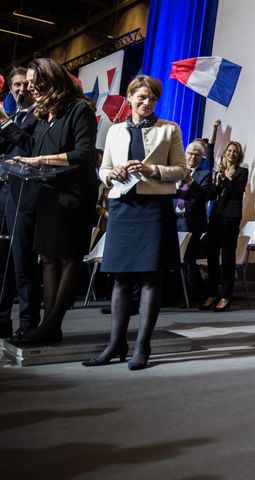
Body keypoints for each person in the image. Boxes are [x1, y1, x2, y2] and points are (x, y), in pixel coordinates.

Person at [85, 75, 187, 369]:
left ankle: (143, 345)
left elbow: (181, 170)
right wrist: (110, 175)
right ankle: (116, 343)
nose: (146, 103)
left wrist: (152, 169)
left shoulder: (169, 129)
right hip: (122, 206)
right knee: (119, 278)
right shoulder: (115, 130)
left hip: (154, 207)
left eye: (152, 99)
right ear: (129, 98)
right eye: (141, 97)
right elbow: (102, 169)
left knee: (151, 278)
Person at [4, 58, 99, 345]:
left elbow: (84, 153)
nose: (30, 89)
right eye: (29, 84)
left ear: (52, 79)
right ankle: (49, 326)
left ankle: (52, 322)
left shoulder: (79, 109)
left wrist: (40, 159)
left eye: (35, 82)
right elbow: (32, 148)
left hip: (74, 193)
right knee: (47, 257)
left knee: (69, 257)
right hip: (47, 190)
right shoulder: (45, 115)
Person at [0, 67, 42, 339]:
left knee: (22, 260)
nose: (21, 90)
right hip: (3, 190)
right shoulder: (14, 115)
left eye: (26, 85)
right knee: (1, 259)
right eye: (16, 85)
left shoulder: (40, 116)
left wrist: (5, 124)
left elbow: (30, 147)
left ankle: (28, 323)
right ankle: (2, 320)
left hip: (25, 193)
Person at [199, 141, 248, 312]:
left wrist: (226, 178)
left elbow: (236, 192)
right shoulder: (219, 172)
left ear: (238, 155)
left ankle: (226, 296)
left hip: (231, 218)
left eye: (235, 151)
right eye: (229, 150)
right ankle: (212, 293)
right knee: (212, 256)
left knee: (227, 257)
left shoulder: (242, 172)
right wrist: (219, 180)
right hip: (216, 217)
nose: (232, 153)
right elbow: (212, 194)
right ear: (225, 153)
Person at [176, 141, 213, 301]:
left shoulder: (204, 174)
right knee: (174, 258)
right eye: (190, 153)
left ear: (201, 158)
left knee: (188, 258)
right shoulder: (176, 171)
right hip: (174, 218)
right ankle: (174, 292)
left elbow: (203, 195)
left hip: (191, 221)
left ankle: (190, 295)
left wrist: (189, 180)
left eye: (197, 155)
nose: (192, 157)